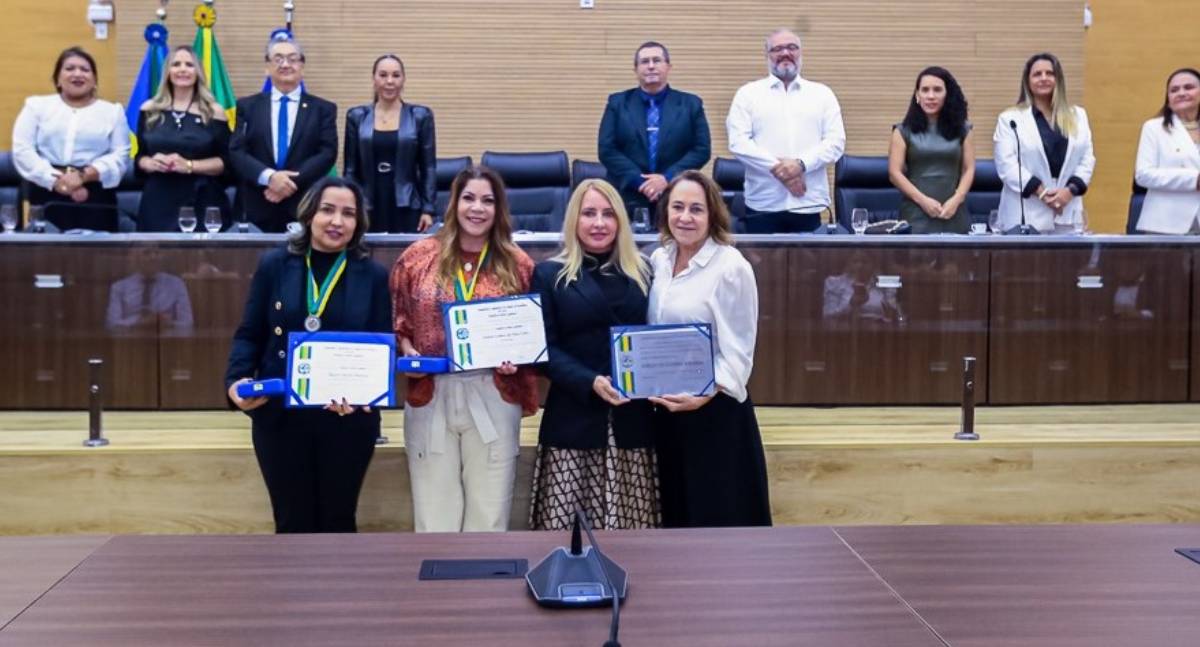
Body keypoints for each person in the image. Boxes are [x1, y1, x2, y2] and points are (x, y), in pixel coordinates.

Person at [225, 176, 391, 533]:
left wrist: (365, 396)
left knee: (338, 520)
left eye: (348, 214)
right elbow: (249, 333)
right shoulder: (274, 265)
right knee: (291, 522)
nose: (337, 221)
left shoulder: (374, 276)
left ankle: (340, 591)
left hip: (347, 421)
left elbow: (382, 347)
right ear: (309, 214)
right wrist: (235, 381)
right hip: (281, 419)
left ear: (358, 223)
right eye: (328, 210)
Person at [390, 164, 537, 532]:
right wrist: (408, 353)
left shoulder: (518, 264)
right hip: (431, 391)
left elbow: (529, 332)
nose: (477, 208)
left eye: (488, 200)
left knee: (489, 516)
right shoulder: (416, 257)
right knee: (434, 516)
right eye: (468, 198)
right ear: (454, 204)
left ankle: (485, 590)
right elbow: (397, 323)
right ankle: (440, 592)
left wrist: (515, 357)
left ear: (498, 209)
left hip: (494, 392)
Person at [529, 179, 659, 531]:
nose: (599, 223)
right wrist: (590, 381)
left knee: (636, 535)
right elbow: (543, 350)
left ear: (621, 221)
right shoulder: (549, 274)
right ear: (574, 220)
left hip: (633, 420)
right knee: (564, 534)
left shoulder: (645, 271)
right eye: (589, 213)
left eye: (608, 214)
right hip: (573, 417)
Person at [647, 170, 771, 527]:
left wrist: (707, 392)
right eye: (678, 207)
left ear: (713, 214)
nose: (685, 217)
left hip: (714, 416)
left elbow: (740, 349)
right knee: (677, 516)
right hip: (668, 413)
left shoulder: (731, 267)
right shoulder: (658, 260)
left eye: (696, 209)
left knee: (718, 521)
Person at [726, 29, 845, 233]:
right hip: (763, 204)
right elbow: (738, 142)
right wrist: (782, 171)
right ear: (767, 55)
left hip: (808, 203)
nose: (785, 53)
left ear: (801, 53)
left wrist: (800, 165)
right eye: (777, 49)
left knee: (809, 266)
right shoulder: (748, 94)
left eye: (792, 47)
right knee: (763, 266)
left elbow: (835, 143)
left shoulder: (822, 94)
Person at [229, 37, 337, 232]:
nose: (285, 64)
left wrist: (287, 183)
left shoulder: (323, 109)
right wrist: (270, 178)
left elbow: (327, 153)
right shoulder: (248, 106)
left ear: (302, 66)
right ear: (267, 67)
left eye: (292, 59)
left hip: (303, 205)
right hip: (257, 204)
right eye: (278, 59)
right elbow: (237, 151)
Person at [11, 46, 129, 226]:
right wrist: (56, 180)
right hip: (46, 190)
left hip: (95, 193)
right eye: (70, 68)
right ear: (57, 79)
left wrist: (83, 176)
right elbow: (22, 150)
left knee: (98, 253)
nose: (78, 74)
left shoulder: (113, 112)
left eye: (85, 69)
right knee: (43, 252)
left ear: (95, 80)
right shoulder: (36, 107)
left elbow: (120, 155)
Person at [598, 41, 711, 216]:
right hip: (628, 194)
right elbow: (607, 149)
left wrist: (667, 178)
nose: (651, 66)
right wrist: (640, 182)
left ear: (668, 67)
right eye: (644, 62)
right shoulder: (617, 103)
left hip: (676, 196)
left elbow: (701, 150)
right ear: (635, 69)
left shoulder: (690, 104)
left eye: (657, 60)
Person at [993, 53, 1095, 234]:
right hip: (1025, 213)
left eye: (1049, 73)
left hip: (1067, 211)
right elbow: (1006, 165)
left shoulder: (1078, 115)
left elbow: (1087, 159)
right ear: (1027, 81)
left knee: (1068, 263)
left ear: (1058, 79)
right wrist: (1042, 193)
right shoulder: (1010, 118)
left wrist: (1069, 192)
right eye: (1037, 74)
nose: (1044, 78)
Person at [134, 45, 231, 232]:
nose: (182, 69)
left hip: (202, 198)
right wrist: (150, 163)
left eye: (189, 65)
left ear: (198, 72)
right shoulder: (149, 109)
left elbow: (226, 162)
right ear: (168, 72)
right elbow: (140, 157)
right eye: (176, 64)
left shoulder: (214, 112)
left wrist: (188, 166)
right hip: (158, 200)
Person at [343, 54, 436, 233]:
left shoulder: (420, 116)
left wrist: (428, 209)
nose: (389, 81)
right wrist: (349, 207)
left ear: (403, 79)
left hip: (407, 203)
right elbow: (350, 169)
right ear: (374, 79)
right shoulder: (356, 116)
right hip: (367, 204)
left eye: (396, 75)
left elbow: (428, 168)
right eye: (383, 75)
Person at [888, 66, 975, 234]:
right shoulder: (902, 131)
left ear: (947, 94)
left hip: (954, 211)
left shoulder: (964, 129)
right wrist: (923, 201)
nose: (931, 96)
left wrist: (957, 199)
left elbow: (969, 169)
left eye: (937, 90)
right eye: (925, 90)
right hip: (916, 212)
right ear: (917, 95)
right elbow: (894, 173)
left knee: (957, 260)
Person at [1133, 68, 1200, 234]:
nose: (1182, 93)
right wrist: (1194, 180)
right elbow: (1143, 175)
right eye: (1174, 90)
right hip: (1166, 223)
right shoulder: (1153, 128)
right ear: (1168, 99)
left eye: (1189, 87)